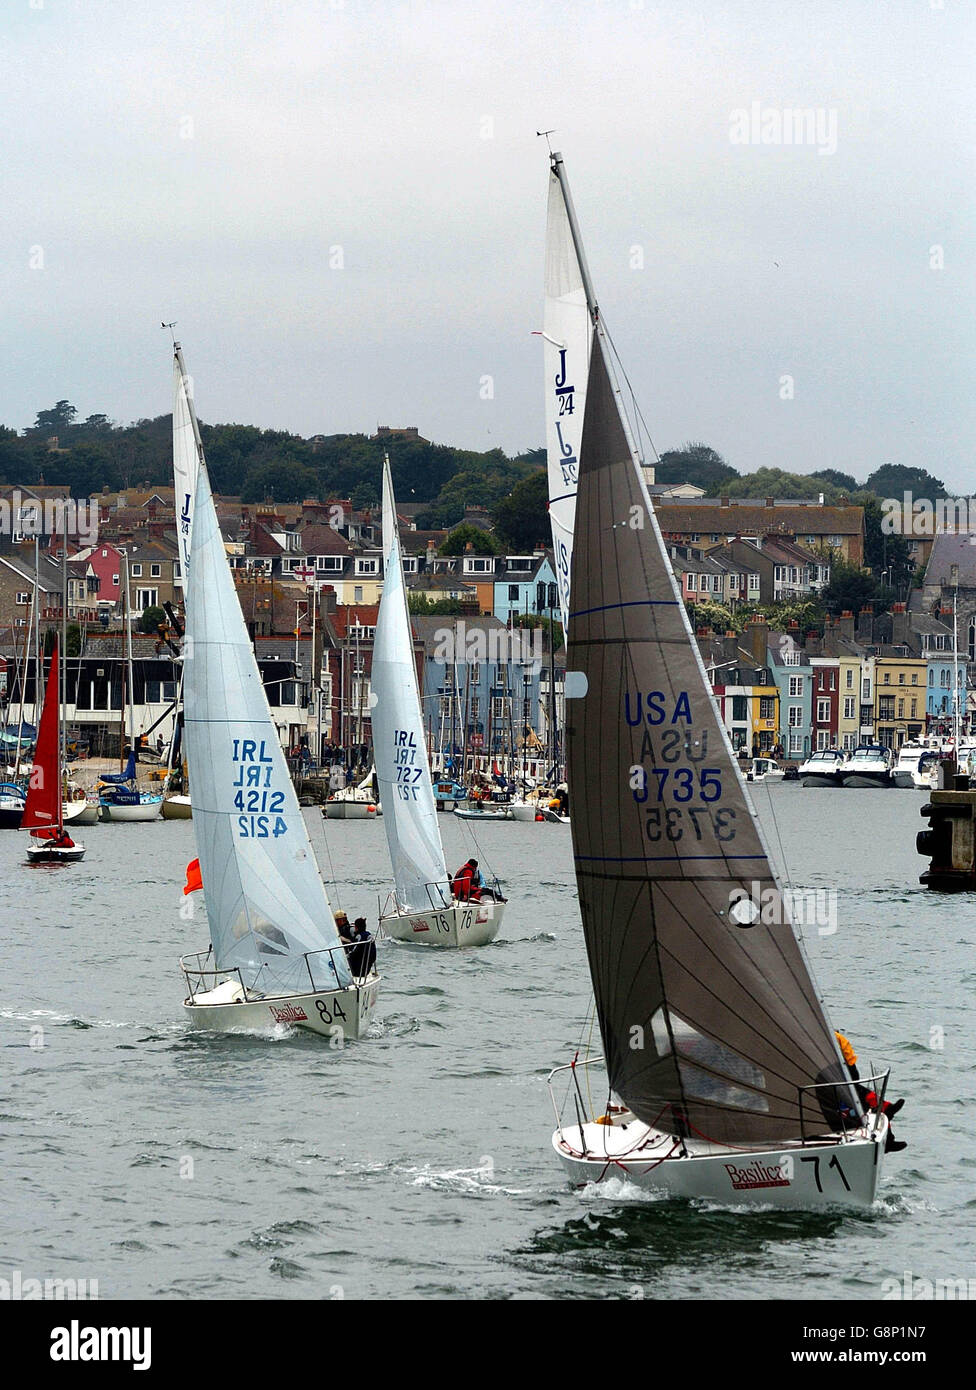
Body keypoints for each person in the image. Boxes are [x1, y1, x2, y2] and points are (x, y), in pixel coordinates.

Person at [835, 1031, 906, 1152]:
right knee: (866, 1100)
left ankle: (888, 1134)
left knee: (870, 1102)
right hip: (839, 1079)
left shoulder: (834, 1038)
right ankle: (888, 1132)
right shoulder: (835, 1038)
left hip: (843, 1072)